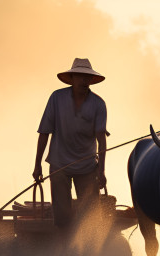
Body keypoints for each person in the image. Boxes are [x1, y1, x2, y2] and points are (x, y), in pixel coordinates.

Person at [34, 58, 108, 233]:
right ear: (72, 78)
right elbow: (44, 132)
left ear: (91, 80)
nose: (83, 81)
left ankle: (89, 254)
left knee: (90, 217)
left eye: (87, 77)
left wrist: (101, 170)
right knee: (62, 216)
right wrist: (37, 165)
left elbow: (101, 140)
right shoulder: (56, 98)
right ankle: (64, 251)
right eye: (80, 76)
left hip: (88, 165)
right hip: (60, 164)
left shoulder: (98, 104)